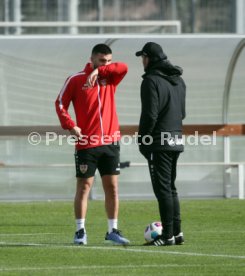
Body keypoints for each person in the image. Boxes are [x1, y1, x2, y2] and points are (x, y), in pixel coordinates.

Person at [55, 43, 130, 245]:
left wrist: (100, 70)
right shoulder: (76, 79)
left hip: (111, 142)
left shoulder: (110, 77)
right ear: (92, 58)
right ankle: (80, 231)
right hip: (87, 142)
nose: (106, 64)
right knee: (84, 186)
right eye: (101, 61)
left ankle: (112, 230)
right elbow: (60, 103)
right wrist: (71, 126)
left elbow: (124, 67)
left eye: (108, 61)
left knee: (112, 188)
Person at [135, 42, 186, 246]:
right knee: (171, 188)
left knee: (162, 189)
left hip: (159, 142)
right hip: (176, 139)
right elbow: (182, 114)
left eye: (144, 57)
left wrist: (143, 139)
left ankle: (167, 236)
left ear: (151, 59)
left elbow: (150, 115)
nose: (142, 61)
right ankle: (177, 232)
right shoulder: (178, 80)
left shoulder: (151, 81)